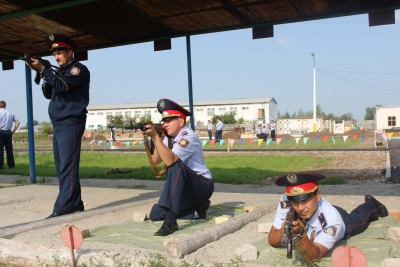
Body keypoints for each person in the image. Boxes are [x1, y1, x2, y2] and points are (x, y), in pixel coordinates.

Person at [26, 33, 90, 219]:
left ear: (70, 52)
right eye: (54, 54)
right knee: (62, 164)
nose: (56, 57)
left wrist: (45, 70)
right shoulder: (59, 72)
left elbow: (61, 87)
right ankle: (75, 203)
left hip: (70, 121)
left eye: (60, 53)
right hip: (59, 123)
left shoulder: (78, 70)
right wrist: (43, 72)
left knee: (67, 166)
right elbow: (49, 93)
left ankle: (62, 207)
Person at [268, 172, 388, 262]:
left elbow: (315, 255)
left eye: (305, 201)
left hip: (343, 221)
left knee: (360, 220)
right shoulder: (286, 203)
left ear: (318, 195)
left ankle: (371, 204)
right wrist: (284, 232)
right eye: (295, 202)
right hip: (320, 209)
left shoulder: (333, 221)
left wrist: (300, 234)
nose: (300, 208)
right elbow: (272, 239)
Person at [146, 99, 214, 236]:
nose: (165, 124)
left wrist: (155, 136)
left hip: (202, 185)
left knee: (175, 165)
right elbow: (156, 160)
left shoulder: (188, 137)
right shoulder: (168, 137)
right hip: (185, 189)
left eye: (169, 120)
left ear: (181, 121)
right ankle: (197, 207)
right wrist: (156, 138)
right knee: (155, 214)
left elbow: (170, 160)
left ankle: (171, 222)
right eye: (164, 121)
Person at [0, 101, 20, 169]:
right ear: (5, 106)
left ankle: (0, 165)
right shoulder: (10, 113)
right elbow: (17, 122)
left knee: (0, 149)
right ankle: (11, 164)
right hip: (8, 132)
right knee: (9, 149)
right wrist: (14, 130)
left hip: (1, 132)